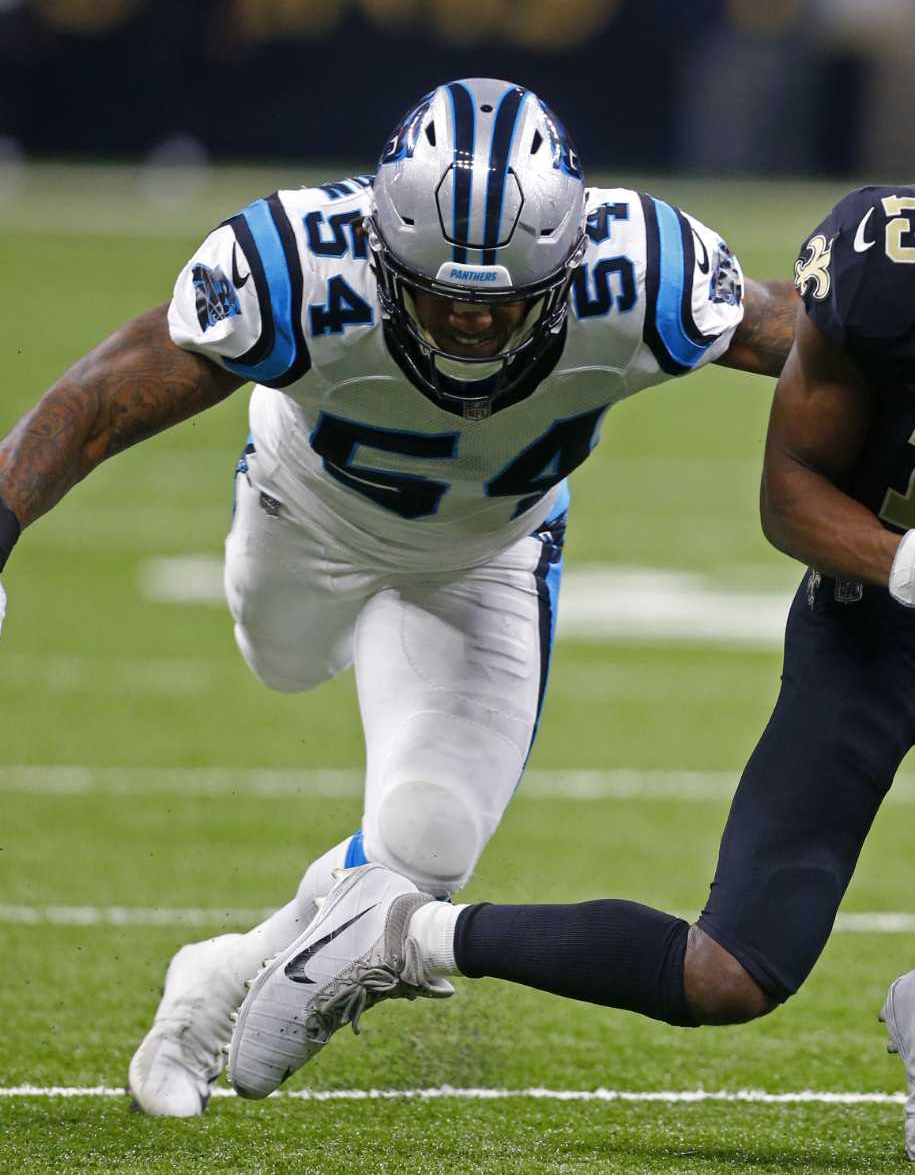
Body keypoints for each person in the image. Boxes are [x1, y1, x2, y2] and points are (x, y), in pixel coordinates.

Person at [221, 35, 915, 1163]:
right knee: (726, 977)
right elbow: (788, 495)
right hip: (873, 628)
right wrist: (913, 564)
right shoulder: (893, 264)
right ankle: (403, 935)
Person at [0, 78, 797, 1118]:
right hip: (304, 519)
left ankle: (219, 982)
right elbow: (100, 399)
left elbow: (813, 344)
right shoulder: (298, 261)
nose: (469, 322)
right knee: (281, 662)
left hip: (488, 554)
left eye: (502, 299)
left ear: (566, 265)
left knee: (425, 847)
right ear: (379, 253)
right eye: (439, 294)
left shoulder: (638, 270)